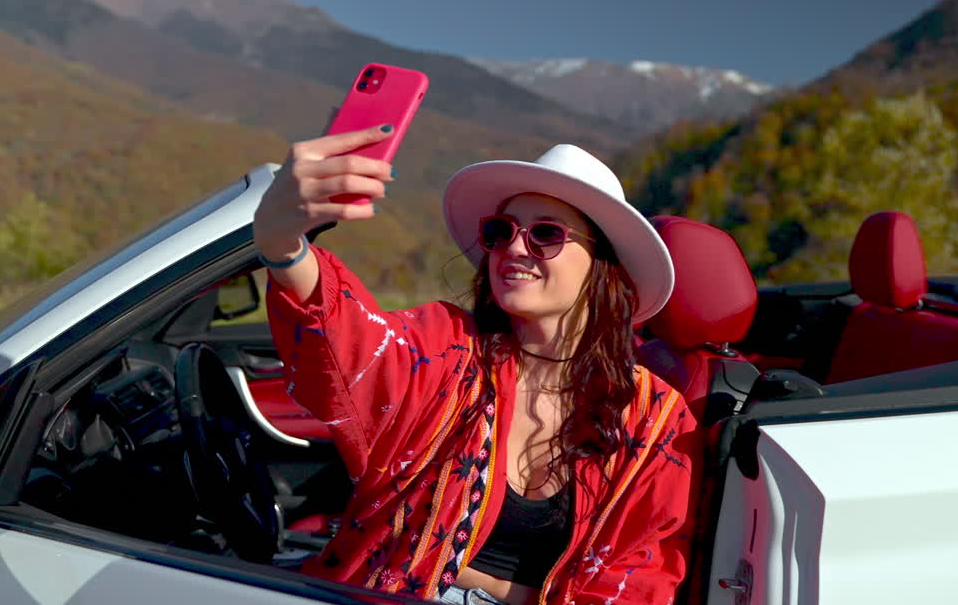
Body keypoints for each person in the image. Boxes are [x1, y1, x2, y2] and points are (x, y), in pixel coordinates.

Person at [254, 124, 695, 605]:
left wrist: (493, 588)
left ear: (603, 264)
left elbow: (637, 580)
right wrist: (283, 243)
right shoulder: (448, 350)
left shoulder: (655, 421)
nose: (515, 248)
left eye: (546, 234)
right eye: (499, 232)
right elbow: (352, 342)